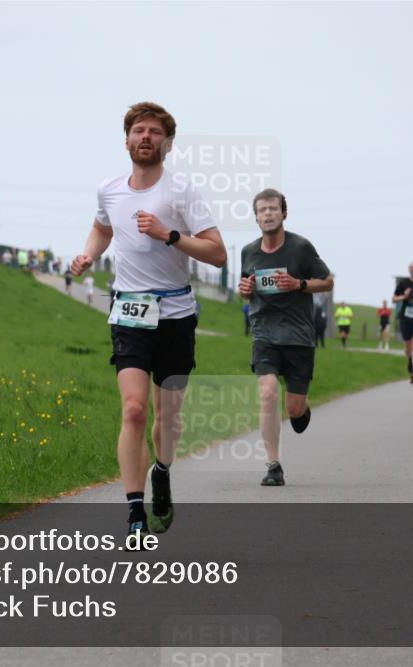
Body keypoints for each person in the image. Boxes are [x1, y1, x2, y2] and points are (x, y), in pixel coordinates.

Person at [70, 102, 226, 539]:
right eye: (139, 130)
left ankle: (162, 469)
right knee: (135, 410)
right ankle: (135, 512)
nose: (145, 137)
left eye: (155, 132)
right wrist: (89, 253)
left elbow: (217, 253)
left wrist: (169, 235)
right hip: (130, 312)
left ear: (167, 143)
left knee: (167, 419)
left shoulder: (181, 192)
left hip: (176, 313)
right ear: (126, 140)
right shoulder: (109, 189)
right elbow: (103, 227)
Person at [238, 188, 333, 486]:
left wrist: (298, 283)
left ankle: (301, 410)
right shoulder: (248, 252)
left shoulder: (301, 248)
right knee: (267, 393)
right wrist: (244, 291)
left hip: (299, 336)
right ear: (255, 216)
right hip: (264, 333)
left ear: (284, 213)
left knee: (293, 407)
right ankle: (273, 465)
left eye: (273, 209)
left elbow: (327, 281)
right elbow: (245, 287)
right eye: (262, 210)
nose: (267, 214)